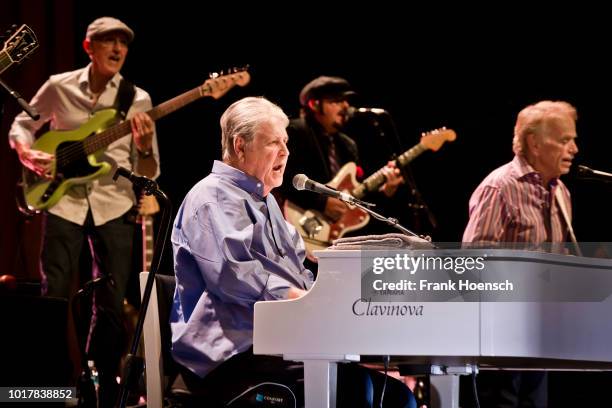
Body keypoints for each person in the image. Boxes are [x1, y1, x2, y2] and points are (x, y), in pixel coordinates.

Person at [170, 96, 416, 407]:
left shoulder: (267, 201)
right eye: (273, 142)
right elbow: (235, 279)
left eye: (285, 142)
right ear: (239, 145)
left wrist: (333, 299)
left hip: (279, 344)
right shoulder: (212, 197)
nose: (286, 152)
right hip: (231, 356)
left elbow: (299, 276)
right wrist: (306, 302)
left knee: (398, 396)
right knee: (354, 388)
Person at [8, 16, 160, 407]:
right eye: (108, 42)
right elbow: (23, 123)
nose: (117, 50)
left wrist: (142, 147)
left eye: (123, 44)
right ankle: (47, 386)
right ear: (88, 47)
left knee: (110, 304)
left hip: (114, 204)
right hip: (62, 199)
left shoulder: (136, 98)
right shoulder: (60, 86)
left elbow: (149, 171)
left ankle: (101, 390)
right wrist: (27, 152)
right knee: (53, 292)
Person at [462, 100, 579, 407]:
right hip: (501, 333)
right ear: (534, 143)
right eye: (565, 140)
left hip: (541, 330)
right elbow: (473, 262)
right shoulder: (499, 188)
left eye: (573, 140)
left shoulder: (561, 193)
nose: (574, 149)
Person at [279, 75, 404, 235]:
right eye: (337, 101)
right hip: (294, 224)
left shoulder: (348, 145)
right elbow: (280, 176)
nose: (346, 106)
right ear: (314, 105)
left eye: (346, 100)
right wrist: (322, 202)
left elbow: (355, 192)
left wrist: (386, 191)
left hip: (334, 234)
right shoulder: (294, 131)